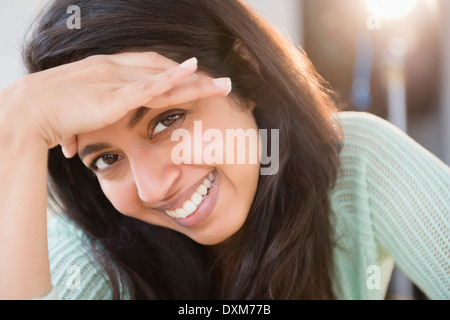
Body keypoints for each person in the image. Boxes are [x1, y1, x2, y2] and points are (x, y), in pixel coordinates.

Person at [0, 0, 448, 300]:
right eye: (107, 159)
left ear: (246, 73)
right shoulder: (86, 255)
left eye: (167, 120)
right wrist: (15, 127)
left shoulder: (354, 162)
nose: (154, 188)